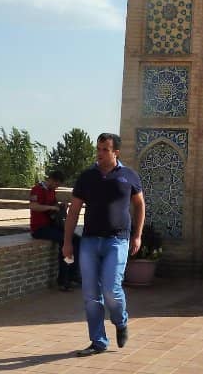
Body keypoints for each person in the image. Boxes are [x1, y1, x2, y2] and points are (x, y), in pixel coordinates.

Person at [63, 133, 145, 357]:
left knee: (111, 289)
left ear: (116, 152)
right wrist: (67, 241)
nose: (99, 154)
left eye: (104, 150)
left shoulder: (129, 176)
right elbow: (74, 211)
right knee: (90, 295)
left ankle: (120, 321)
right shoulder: (87, 176)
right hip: (90, 241)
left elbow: (140, 205)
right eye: (98, 149)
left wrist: (137, 235)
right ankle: (98, 341)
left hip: (117, 241)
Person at [29, 169, 79, 291]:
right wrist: (51, 207)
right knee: (65, 241)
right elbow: (33, 206)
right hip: (39, 228)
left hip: (51, 224)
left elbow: (54, 206)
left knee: (76, 240)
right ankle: (62, 280)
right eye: (56, 184)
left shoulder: (52, 191)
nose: (56, 187)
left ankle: (72, 275)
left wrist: (61, 206)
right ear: (50, 179)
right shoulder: (37, 189)